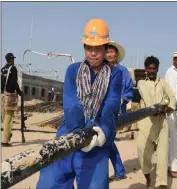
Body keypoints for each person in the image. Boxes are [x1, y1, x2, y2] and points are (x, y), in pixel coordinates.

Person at [36, 18, 122, 189]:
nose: (93, 53)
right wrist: (78, 137)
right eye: (89, 48)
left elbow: (111, 105)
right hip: (68, 134)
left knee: (94, 186)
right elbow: (72, 105)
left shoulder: (115, 74)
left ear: (106, 49)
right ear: (84, 48)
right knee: (50, 183)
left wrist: (102, 133)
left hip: (96, 137)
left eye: (98, 48)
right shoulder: (73, 71)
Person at [137, 56, 176, 189]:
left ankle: (161, 184)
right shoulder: (141, 83)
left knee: (162, 156)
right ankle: (148, 177)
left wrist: (168, 107)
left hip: (161, 123)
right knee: (142, 153)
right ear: (146, 69)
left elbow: (172, 97)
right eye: (149, 68)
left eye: (154, 68)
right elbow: (144, 97)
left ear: (157, 69)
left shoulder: (163, 82)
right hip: (146, 124)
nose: (152, 70)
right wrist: (154, 108)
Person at [105, 41, 133, 181]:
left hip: (117, 111)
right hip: (102, 111)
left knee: (107, 140)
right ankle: (115, 172)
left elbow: (128, 90)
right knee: (105, 141)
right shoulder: (102, 69)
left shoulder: (123, 71)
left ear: (116, 54)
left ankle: (119, 171)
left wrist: (121, 100)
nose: (109, 54)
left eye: (112, 52)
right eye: (107, 52)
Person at [1, 53, 23, 147]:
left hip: (2, 95)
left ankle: (8, 133)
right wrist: (19, 92)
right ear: (11, 59)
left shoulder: (2, 69)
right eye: (13, 59)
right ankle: (5, 140)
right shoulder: (12, 68)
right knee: (8, 119)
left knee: (4, 117)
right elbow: (14, 82)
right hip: (10, 96)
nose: (14, 60)